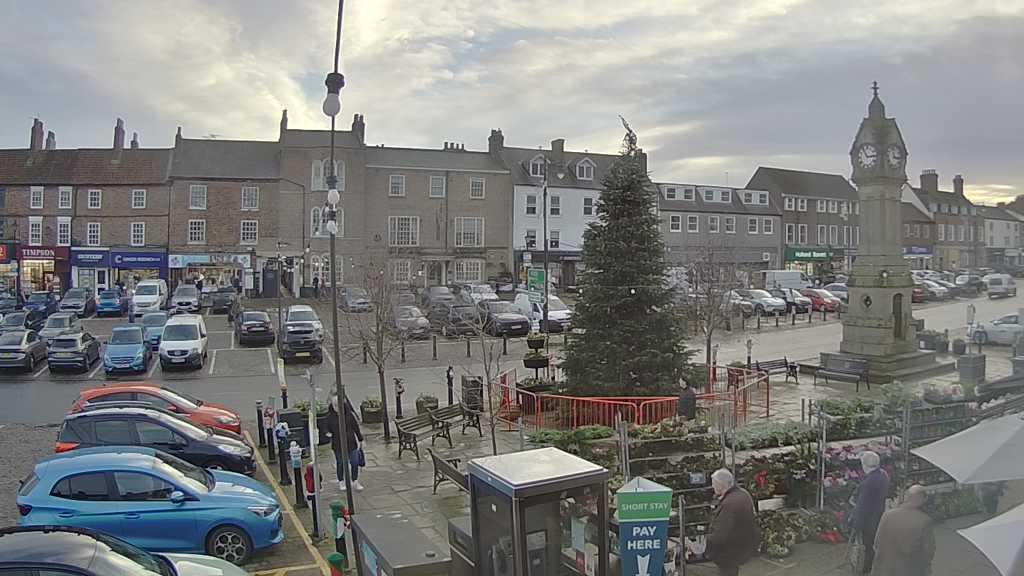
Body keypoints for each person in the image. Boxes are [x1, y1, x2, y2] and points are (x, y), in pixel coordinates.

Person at [871, 485, 934, 576]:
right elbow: (928, 552)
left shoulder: (887, 515)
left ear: (907, 497)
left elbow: (876, 544)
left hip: (884, 570)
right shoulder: (925, 521)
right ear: (922, 500)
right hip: (908, 571)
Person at [705, 468, 758, 576]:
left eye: (714, 484)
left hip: (729, 551)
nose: (713, 487)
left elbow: (720, 534)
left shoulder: (729, 504)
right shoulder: (743, 494)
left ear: (721, 485)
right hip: (743, 545)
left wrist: (706, 544)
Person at [852, 451, 889, 574]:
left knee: (869, 546)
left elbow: (861, 506)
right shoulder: (883, 475)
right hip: (879, 514)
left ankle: (867, 569)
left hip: (869, 519)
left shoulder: (868, 482)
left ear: (864, 464)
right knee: (876, 543)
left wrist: (856, 524)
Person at [326, 394, 364, 492]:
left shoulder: (349, 415)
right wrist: (328, 433)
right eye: (335, 405)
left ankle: (355, 480)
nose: (337, 408)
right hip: (338, 444)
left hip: (351, 443)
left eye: (338, 405)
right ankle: (341, 481)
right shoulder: (330, 417)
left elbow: (355, 427)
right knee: (341, 463)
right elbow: (326, 428)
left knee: (355, 462)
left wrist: (360, 438)